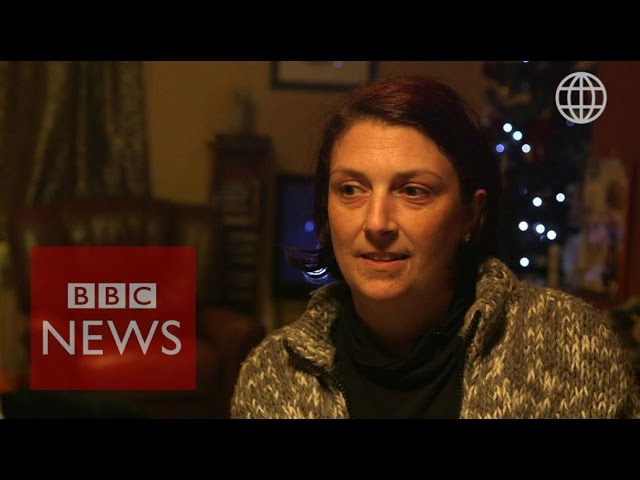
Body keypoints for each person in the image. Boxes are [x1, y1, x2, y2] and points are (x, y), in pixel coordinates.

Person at [231, 75, 640, 419]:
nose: (376, 223)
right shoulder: (273, 376)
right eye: (351, 189)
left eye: (413, 191)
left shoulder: (568, 345)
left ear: (470, 215)